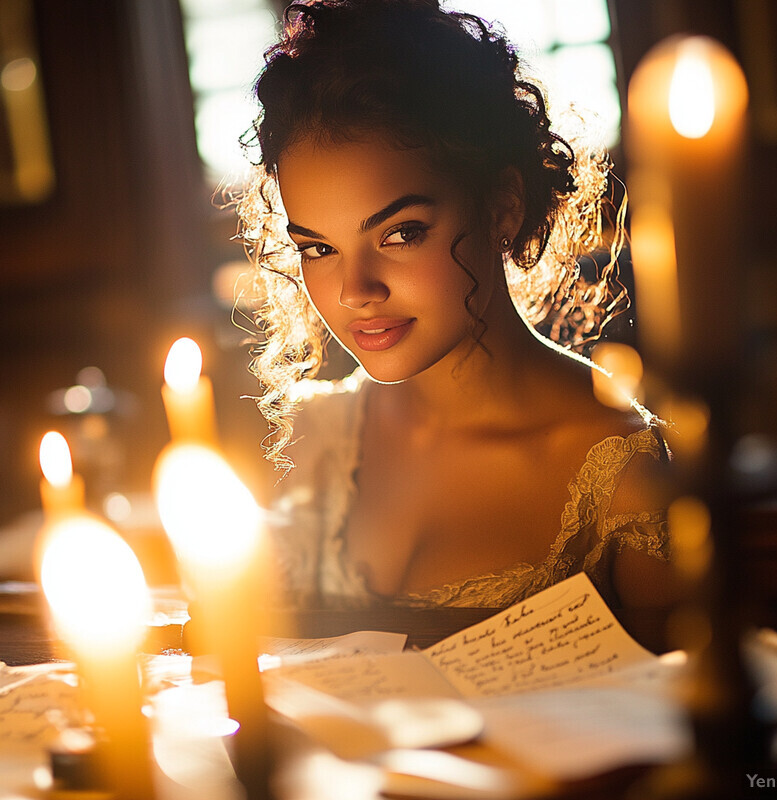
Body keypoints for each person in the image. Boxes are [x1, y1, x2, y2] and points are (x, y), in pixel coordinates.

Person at [237, 0, 679, 615]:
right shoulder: (319, 438)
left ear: (502, 206)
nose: (354, 290)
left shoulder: (622, 473)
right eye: (319, 247)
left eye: (401, 233)